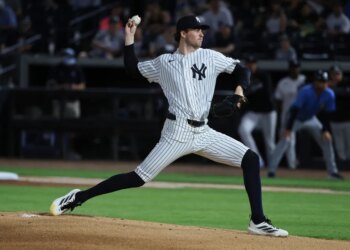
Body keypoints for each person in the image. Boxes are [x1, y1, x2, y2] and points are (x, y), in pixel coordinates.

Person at [49, 15, 288, 237]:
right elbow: (133, 69)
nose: (201, 33)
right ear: (183, 33)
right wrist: (129, 38)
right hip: (177, 132)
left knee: (251, 159)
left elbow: (242, 69)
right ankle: (78, 197)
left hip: (204, 132)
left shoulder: (210, 57)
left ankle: (257, 221)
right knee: (138, 178)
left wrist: (239, 90)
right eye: (196, 29)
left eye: (202, 29)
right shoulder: (164, 63)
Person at [267, 70, 344, 180]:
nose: (321, 84)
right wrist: (288, 129)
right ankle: (271, 171)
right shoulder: (306, 91)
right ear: (315, 82)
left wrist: (325, 130)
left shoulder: (329, 94)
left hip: (310, 118)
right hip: (296, 118)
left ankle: (332, 172)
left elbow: (327, 115)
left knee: (327, 139)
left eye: (324, 81)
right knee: (285, 140)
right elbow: (295, 110)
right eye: (319, 81)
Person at [238, 55, 277, 168]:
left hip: (268, 112)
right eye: (249, 64)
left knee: (269, 141)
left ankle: (272, 167)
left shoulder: (264, 75)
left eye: (253, 63)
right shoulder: (244, 77)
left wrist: (250, 91)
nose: (251, 66)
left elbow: (267, 94)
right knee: (243, 129)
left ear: (256, 64)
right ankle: (258, 160)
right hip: (254, 112)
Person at [274, 60, 305, 169]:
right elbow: (278, 101)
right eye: (293, 67)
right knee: (288, 140)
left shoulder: (304, 80)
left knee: (299, 141)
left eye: (297, 67)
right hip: (287, 115)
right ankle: (291, 166)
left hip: (303, 115)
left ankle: (294, 164)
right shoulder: (283, 82)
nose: (295, 69)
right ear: (290, 69)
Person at [328, 65, 350, 163]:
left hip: (347, 121)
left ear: (341, 74)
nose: (335, 77)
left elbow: (344, 93)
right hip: (335, 121)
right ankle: (343, 168)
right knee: (339, 147)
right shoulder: (327, 85)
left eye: (337, 74)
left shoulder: (347, 83)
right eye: (333, 74)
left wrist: (331, 88)